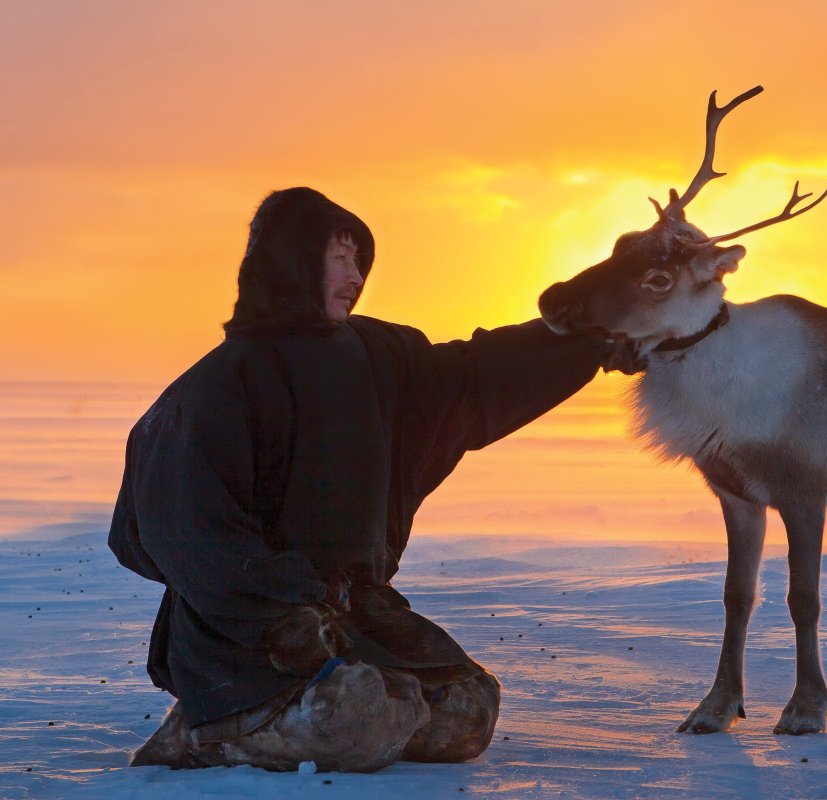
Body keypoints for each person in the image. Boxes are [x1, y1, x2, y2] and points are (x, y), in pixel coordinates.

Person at [108, 187, 635, 772]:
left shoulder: (380, 353)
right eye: (339, 259)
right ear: (291, 262)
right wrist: (284, 612)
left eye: (360, 260)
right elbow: (175, 531)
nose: (355, 276)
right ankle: (208, 731)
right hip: (244, 631)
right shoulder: (216, 385)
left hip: (354, 612)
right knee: (351, 722)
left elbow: (471, 377)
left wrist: (594, 336)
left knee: (467, 712)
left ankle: (333, 712)